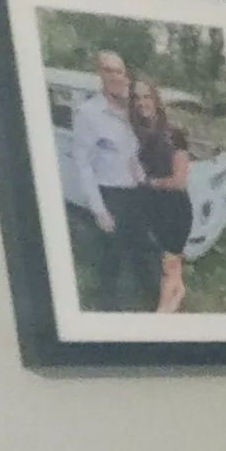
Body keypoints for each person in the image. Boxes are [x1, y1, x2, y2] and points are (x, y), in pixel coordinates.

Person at [67, 49, 155, 309]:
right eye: (109, 70)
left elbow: (150, 143)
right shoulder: (88, 113)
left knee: (143, 247)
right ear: (100, 75)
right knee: (111, 254)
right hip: (110, 194)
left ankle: (152, 298)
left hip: (137, 193)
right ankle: (106, 306)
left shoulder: (136, 107)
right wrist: (99, 210)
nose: (117, 76)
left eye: (120, 70)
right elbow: (83, 164)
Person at [126, 74, 194, 313]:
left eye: (147, 96)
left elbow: (178, 180)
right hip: (153, 207)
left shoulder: (174, 135)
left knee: (168, 264)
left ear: (156, 99)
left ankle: (162, 314)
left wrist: (148, 181)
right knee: (170, 263)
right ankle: (179, 290)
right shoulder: (138, 133)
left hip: (175, 210)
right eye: (136, 97)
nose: (142, 102)